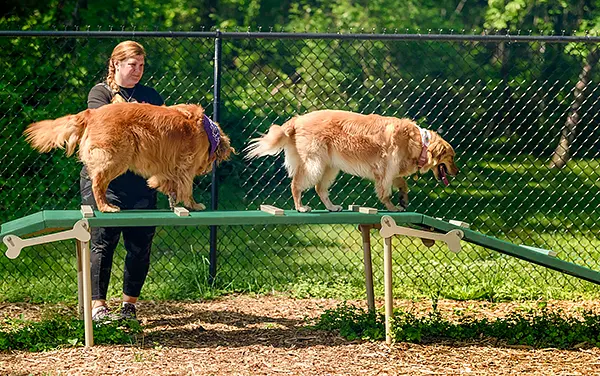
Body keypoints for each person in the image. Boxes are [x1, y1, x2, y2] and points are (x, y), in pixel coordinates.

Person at [80, 40, 164, 322]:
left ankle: (129, 305)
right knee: (103, 244)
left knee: (140, 246)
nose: (137, 70)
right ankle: (98, 306)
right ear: (115, 64)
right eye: (132, 64)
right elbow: (105, 125)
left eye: (141, 65)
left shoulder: (151, 95)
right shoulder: (99, 94)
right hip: (108, 184)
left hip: (141, 183)